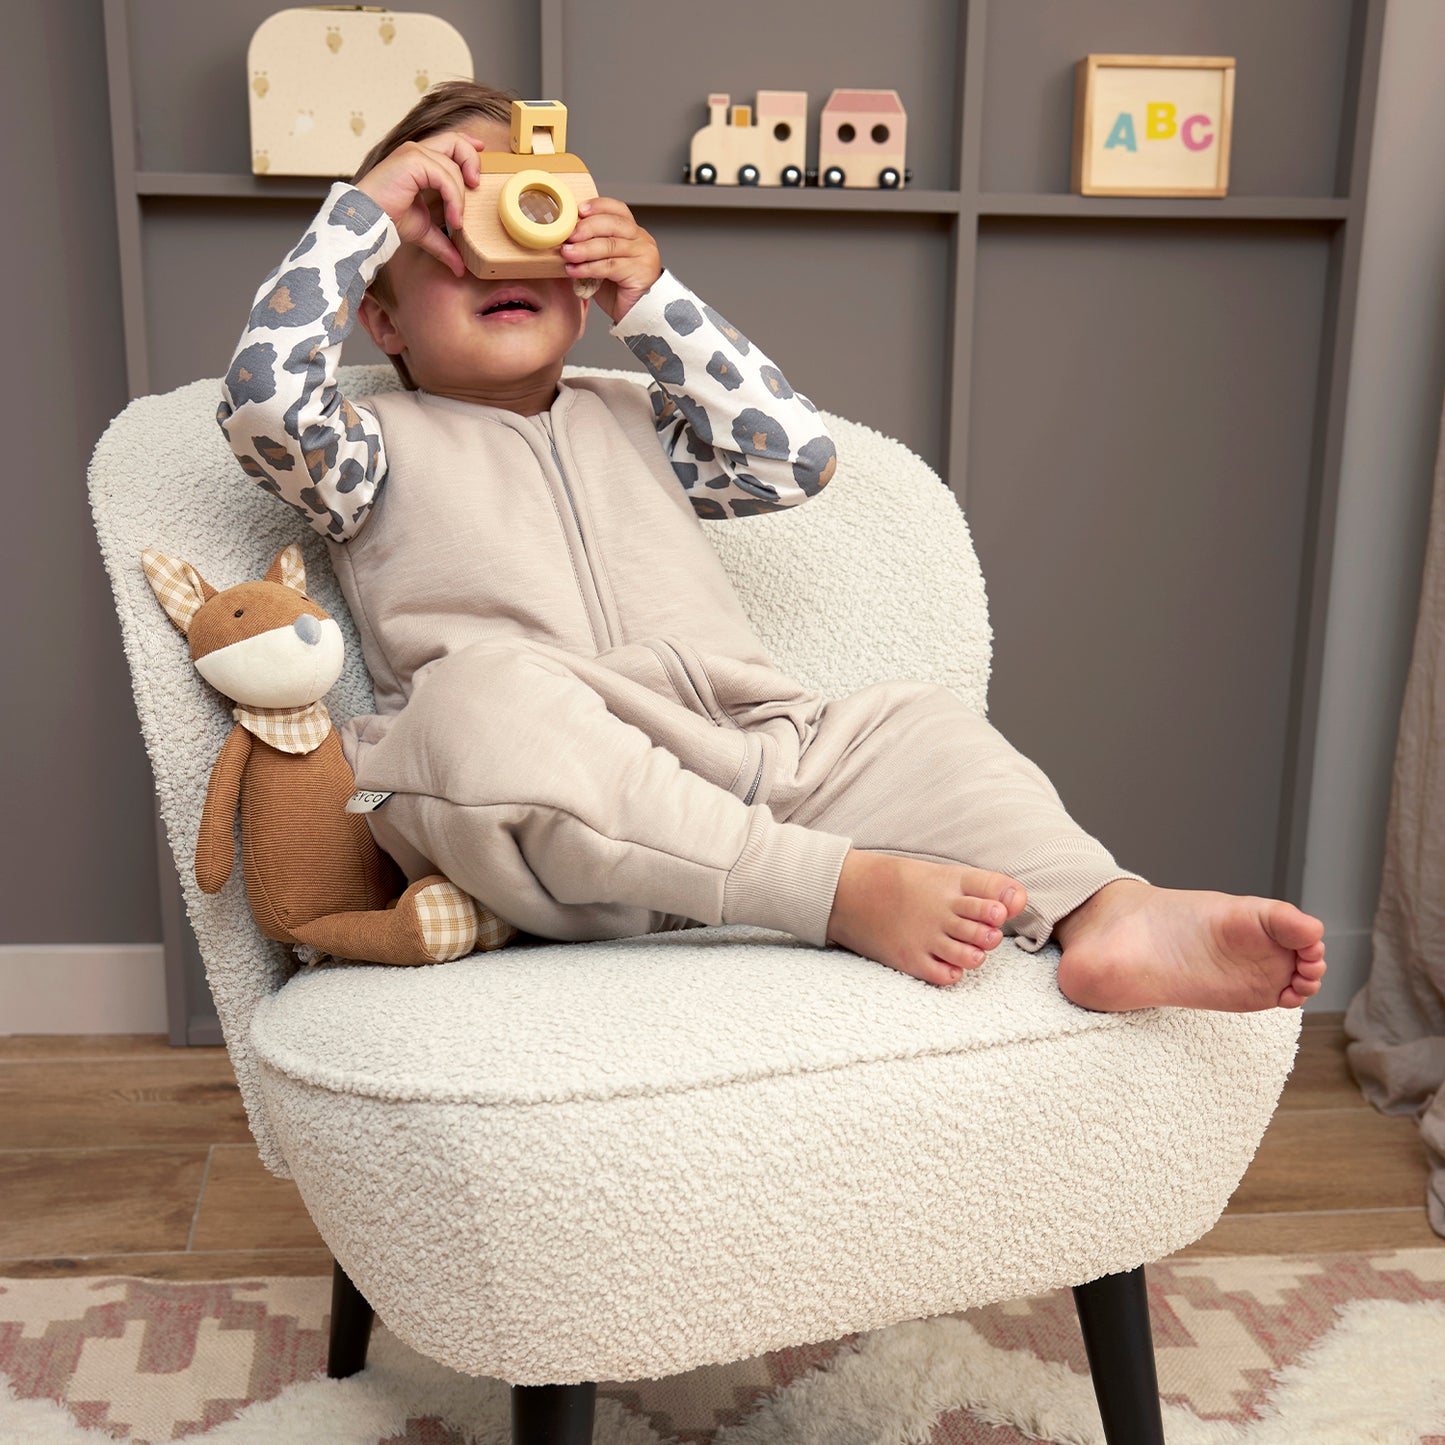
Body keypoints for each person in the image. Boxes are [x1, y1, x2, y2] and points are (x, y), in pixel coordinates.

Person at [217, 81, 1327, 1012]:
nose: (492, 257)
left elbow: (792, 457)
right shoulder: (367, 448)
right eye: (448, 239)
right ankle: (830, 889)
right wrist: (366, 214)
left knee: (919, 725)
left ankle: (1109, 910)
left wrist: (649, 296)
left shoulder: (635, 417)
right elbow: (260, 401)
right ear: (382, 318)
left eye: (528, 221)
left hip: (752, 758)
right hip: (556, 815)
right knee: (470, 712)